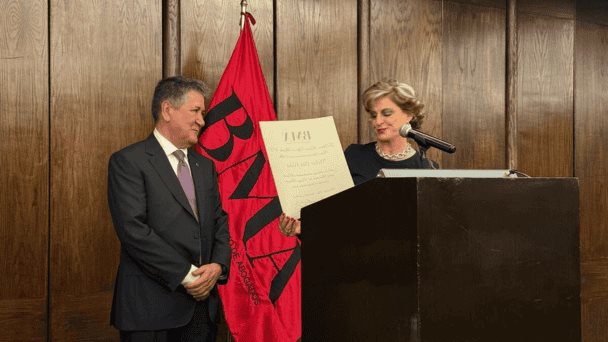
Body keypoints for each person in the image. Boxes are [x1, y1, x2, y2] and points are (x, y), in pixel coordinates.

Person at [108, 76, 230, 342]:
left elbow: (219, 221)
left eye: (203, 113)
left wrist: (218, 267)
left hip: (200, 310)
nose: (202, 120)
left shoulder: (204, 166)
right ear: (167, 110)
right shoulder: (128, 162)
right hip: (150, 311)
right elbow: (133, 230)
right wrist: (188, 277)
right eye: (196, 111)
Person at [279, 79, 435, 237]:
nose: (378, 121)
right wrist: (302, 229)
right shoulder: (354, 156)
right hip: (352, 255)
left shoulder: (426, 167)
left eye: (386, 113)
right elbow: (328, 215)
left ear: (409, 115)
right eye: (373, 115)